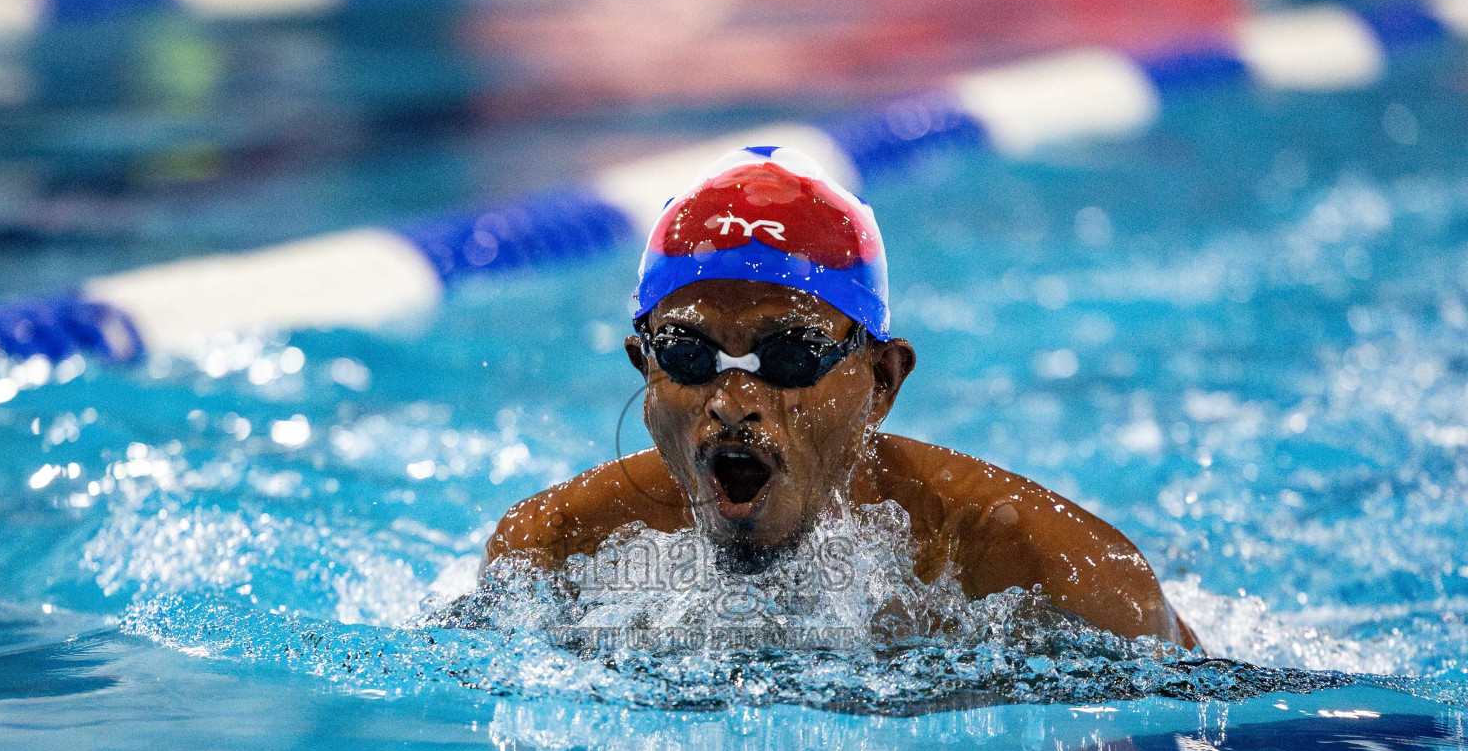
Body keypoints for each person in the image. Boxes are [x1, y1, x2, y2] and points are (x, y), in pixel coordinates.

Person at [485, 145, 1197, 647]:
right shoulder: (552, 554)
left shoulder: (1056, 578)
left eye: (790, 355)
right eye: (688, 354)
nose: (733, 400)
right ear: (646, 370)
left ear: (882, 381)